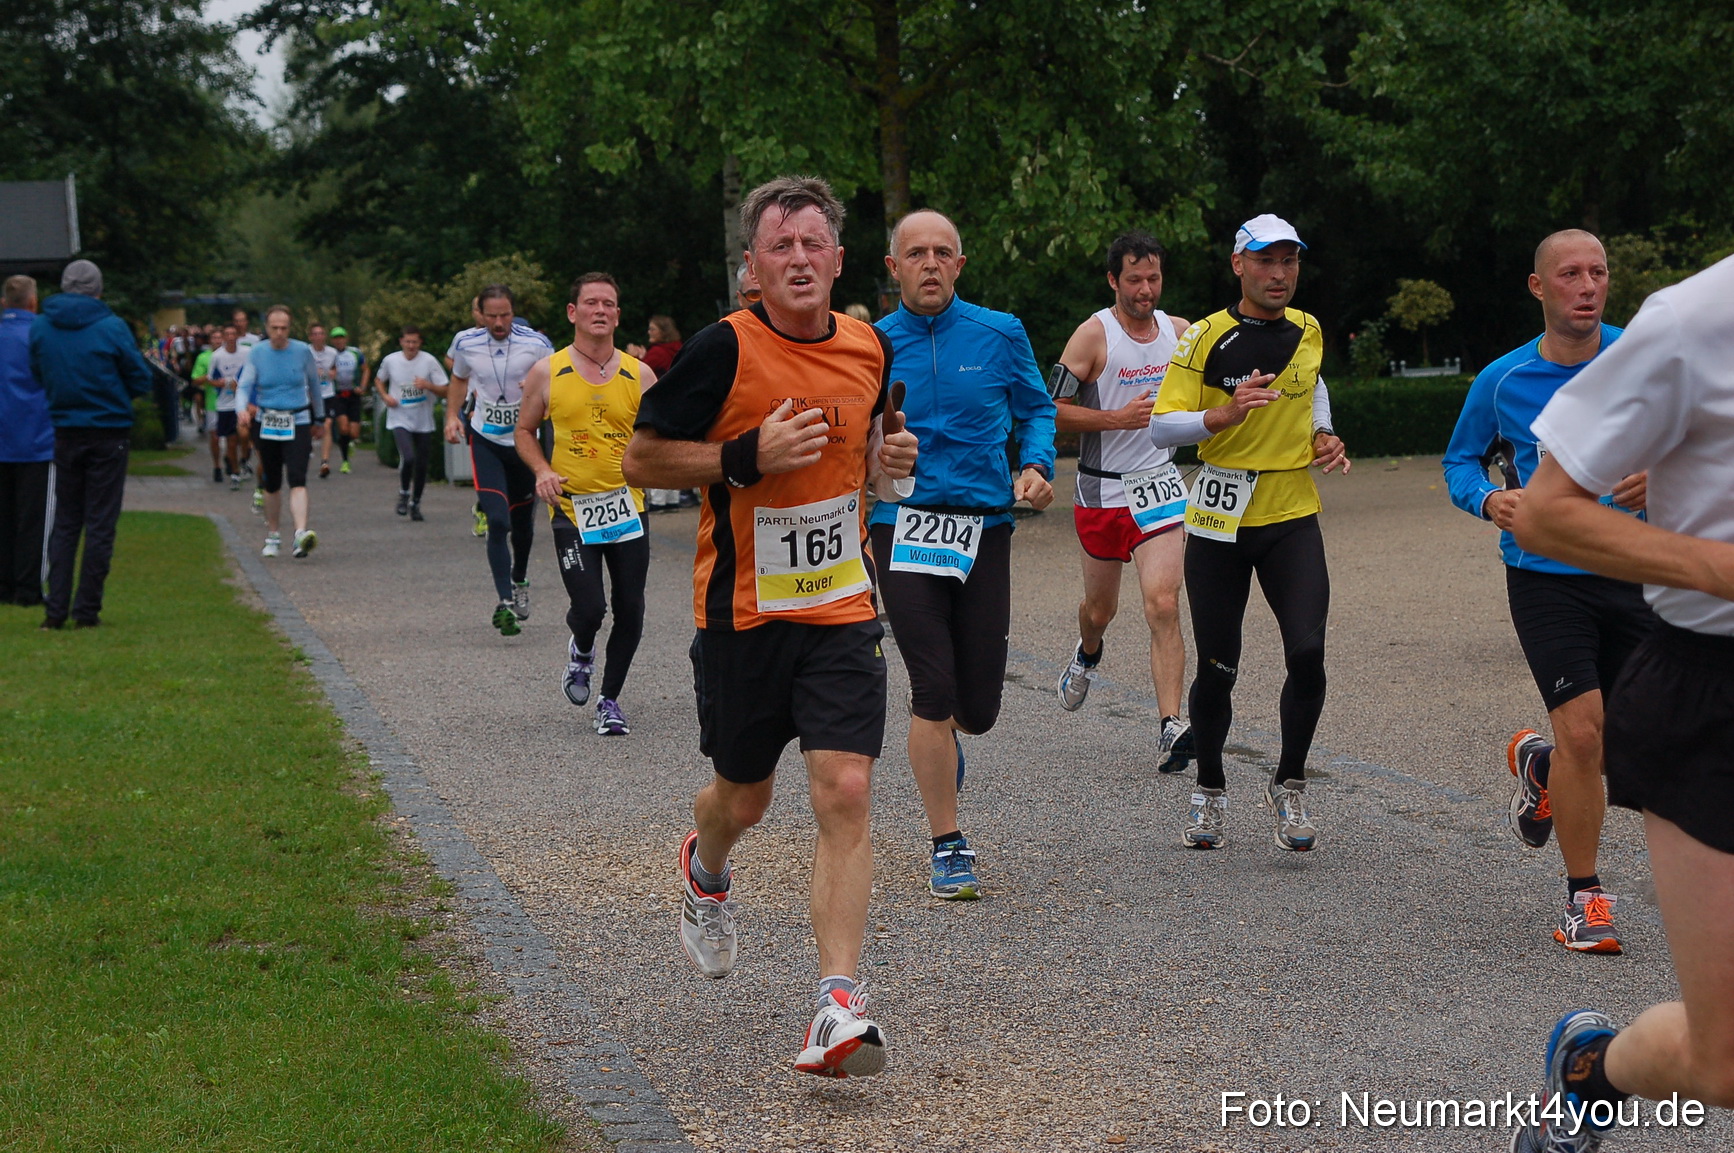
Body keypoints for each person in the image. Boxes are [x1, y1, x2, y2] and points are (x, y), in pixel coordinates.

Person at [622, 175, 918, 1078]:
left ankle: (838, 1003)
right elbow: (641, 457)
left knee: (846, 789)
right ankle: (705, 865)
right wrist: (744, 457)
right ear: (752, 266)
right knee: (742, 799)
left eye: (812, 244)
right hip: (743, 615)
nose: (797, 259)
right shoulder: (722, 350)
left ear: (838, 260)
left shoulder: (870, 346)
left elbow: (869, 449)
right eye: (778, 246)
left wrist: (886, 459)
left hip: (841, 606)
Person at [1504, 256, 1734, 1151]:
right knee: (1723, 1064)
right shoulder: (1692, 322)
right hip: (1712, 689)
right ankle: (1592, 1068)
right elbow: (1547, 513)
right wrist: (1718, 569)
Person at [1442, 229, 1650, 955]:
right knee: (1584, 729)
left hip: (1637, 566)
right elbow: (1461, 460)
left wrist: (1664, 474)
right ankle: (1583, 898)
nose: (1587, 285)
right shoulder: (1502, 380)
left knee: (1641, 742)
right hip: (1545, 575)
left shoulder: (1642, 359)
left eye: (1598, 272)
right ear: (1539, 288)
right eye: (1570, 274)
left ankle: (1540, 768)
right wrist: (1486, 502)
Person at [1149, 214, 1350, 852]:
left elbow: (1312, 383)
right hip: (1221, 516)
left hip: (1291, 511)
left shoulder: (1308, 328)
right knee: (1218, 667)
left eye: (1289, 262)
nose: (1279, 274)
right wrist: (1221, 415)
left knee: (1309, 654)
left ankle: (1288, 784)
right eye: (1266, 261)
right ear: (1239, 264)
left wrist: (1322, 431)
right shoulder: (1206, 337)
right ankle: (1209, 787)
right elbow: (1161, 428)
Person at [872, 208, 1056, 900]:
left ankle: (947, 744)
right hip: (905, 523)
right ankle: (947, 842)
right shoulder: (872, 344)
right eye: (914, 253)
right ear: (893, 269)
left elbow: (1038, 409)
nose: (928, 263)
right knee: (933, 686)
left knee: (976, 706)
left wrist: (1036, 464)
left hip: (984, 525)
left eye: (941, 252)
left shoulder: (1000, 332)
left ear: (959, 264)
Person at [1053, 230, 1194, 772]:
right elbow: (1053, 410)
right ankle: (1088, 652)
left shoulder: (1180, 334)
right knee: (1101, 609)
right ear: (1114, 280)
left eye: (1153, 278)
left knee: (1163, 602)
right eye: (1134, 279)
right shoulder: (1092, 337)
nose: (1145, 289)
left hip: (1157, 484)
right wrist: (1117, 418)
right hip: (1101, 488)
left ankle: (1170, 725)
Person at [517, 274, 656, 736]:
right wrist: (541, 470)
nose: (601, 310)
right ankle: (581, 649)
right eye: (591, 303)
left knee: (631, 607)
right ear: (573, 313)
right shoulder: (547, 371)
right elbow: (523, 431)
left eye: (609, 304)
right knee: (591, 606)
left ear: (618, 314)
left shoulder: (641, 374)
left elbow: (659, 436)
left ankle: (609, 699)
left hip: (628, 506)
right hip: (574, 510)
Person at [29, 260, 153, 628]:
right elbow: (140, 377)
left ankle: (55, 611)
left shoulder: (42, 327)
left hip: (65, 429)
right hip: (108, 431)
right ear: (98, 289)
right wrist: (114, 395)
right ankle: (87, 610)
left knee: (66, 521)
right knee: (100, 522)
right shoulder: (111, 327)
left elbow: (38, 372)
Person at [445, 286, 554, 635]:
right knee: (497, 520)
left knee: (522, 525)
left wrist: (536, 386)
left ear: (513, 311)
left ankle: (520, 578)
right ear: (480, 313)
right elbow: (459, 378)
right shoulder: (465, 343)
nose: (498, 322)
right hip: (486, 440)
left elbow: (556, 382)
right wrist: (451, 415)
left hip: (524, 443)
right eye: (491, 315)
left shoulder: (536, 343)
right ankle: (505, 601)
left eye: (505, 314)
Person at [237, 305, 324, 559]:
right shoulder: (257, 353)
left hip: (297, 419)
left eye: (284, 328)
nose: (279, 333)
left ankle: (300, 534)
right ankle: (273, 534)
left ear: (290, 328)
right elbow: (244, 385)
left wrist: (319, 417)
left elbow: (314, 386)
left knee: (297, 476)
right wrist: (241, 410)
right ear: (266, 328)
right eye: (274, 328)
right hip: (267, 420)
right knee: (272, 480)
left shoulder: (302, 352)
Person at [0, 276, 52, 607]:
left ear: (5, 303)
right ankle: (28, 588)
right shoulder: (41, 336)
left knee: (3, 515)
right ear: (33, 302)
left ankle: (3, 585)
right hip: (35, 438)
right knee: (33, 519)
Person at [375, 326, 448, 523]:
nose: (411, 346)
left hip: (423, 420)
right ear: (401, 342)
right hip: (399, 417)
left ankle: (416, 503)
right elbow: (378, 380)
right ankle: (404, 494)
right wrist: (385, 397)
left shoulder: (429, 361)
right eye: (407, 341)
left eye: (414, 342)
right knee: (408, 457)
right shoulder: (391, 360)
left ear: (420, 343)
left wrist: (428, 386)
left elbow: (446, 389)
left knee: (422, 464)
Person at [204, 325, 248, 487]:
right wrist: (221, 383)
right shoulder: (217, 356)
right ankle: (235, 472)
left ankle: (244, 459)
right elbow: (210, 379)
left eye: (233, 334)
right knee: (231, 440)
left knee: (245, 437)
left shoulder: (246, 353)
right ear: (223, 337)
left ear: (238, 336)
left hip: (244, 403)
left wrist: (241, 384)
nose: (230, 337)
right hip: (225, 404)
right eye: (227, 334)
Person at [328, 326, 368, 473]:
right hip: (338, 395)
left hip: (353, 394)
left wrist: (362, 387)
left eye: (341, 337)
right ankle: (345, 461)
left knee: (354, 433)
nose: (339, 341)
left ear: (345, 339)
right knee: (343, 428)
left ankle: (350, 443)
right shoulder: (330, 354)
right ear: (332, 340)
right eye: (336, 338)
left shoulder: (355, 353)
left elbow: (366, 369)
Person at [308, 323, 340, 478]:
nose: (318, 336)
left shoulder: (332, 353)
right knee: (311, 429)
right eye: (315, 334)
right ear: (310, 337)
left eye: (321, 333)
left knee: (327, 424)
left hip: (327, 394)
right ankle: (307, 450)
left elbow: (335, 370)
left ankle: (325, 462)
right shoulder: (305, 352)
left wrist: (332, 373)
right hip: (309, 396)